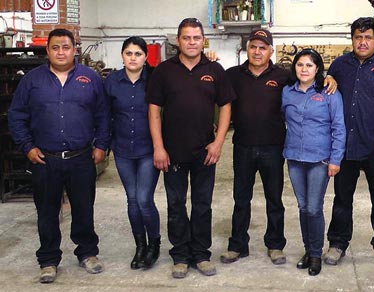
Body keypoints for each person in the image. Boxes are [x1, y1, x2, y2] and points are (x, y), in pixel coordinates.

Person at [220, 29, 337, 265]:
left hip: (274, 148)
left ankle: (275, 245)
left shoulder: (284, 76)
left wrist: (330, 77)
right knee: (241, 198)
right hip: (242, 146)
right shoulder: (233, 75)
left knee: (274, 199)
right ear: (246, 49)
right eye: (253, 46)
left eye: (263, 47)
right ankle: (237, 245)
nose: (257, 51)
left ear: (270, 51)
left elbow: (310, 79)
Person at [8, 28, 110, 283]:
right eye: (56, 47)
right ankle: (48, 259)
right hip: (45, 159)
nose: (61, 52)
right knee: (46, 211)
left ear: (75, 48)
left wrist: (101, 146)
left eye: (66, 47)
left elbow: (103, 115)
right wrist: (27, 147)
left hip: (81, 158)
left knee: (84, 208)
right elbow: (17, 116)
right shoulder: (32, 80)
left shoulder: (90, 78)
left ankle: (87, 252)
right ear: (48, 51)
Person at [146, 17, 236, 279]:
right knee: (176, 204)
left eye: (196, 38)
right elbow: (153, 111)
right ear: (178, 41)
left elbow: (226, 106)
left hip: (204, 152)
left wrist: (218, 142)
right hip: (172, 152)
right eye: (186, 37)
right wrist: (158, 147)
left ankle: (201, 253)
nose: (192, 42)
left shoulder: (215, 70)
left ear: (203, 40)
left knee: (202, 204)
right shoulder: (163, 71)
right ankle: (181, 255)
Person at [324, 17, 374, 268]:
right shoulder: (339, 65)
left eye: (368, 37)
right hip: (345, 146)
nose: (362, 42)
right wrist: (328, 77)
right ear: (352, 40)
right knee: (342, 197)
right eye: (358, 37)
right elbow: (324, 91)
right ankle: (338, 243)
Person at [282, 48, 346, 276]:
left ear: (317, 69)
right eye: (300, 65)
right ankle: (308, 250)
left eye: (309, 65)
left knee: (313, 207)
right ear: (294, 68)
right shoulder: (287, 92)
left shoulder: (329, 93)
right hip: (295, 158)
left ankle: (316, 254)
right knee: (302, 207)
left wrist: (335, 159)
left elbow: (339, 127)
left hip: (320, 158)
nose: (304, 69)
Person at [104, 36, 161, 270]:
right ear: (122, 56)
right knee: (131, 200)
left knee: (144, 199)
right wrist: (103, 145)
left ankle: (154, 246)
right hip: (123, 149)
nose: (133, 58)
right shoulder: (112, 81)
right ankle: (140, 245)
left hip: (148, 149)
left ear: (146, 57)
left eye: (138, 53)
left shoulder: (155, 80)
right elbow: (105, 114)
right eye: (129, 53)